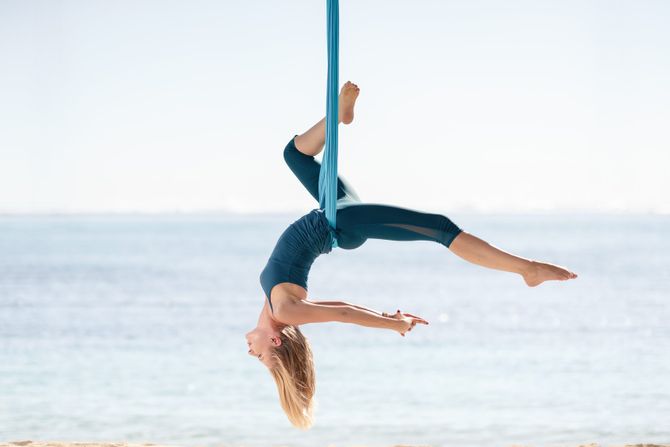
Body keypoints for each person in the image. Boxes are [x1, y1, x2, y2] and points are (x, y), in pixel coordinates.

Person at [246, 81, 577, 429]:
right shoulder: (284, 311)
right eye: (261, 357)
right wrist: (392, 323)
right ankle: (528, 269)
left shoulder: (276, 311)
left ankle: (339, 116)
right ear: (275, 340)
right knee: (440, 228)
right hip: (338, 223)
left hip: (334, 212)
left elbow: (342, 305)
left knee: (293, 154)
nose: (251, 352)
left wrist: (385, 315)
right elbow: (343, 313)